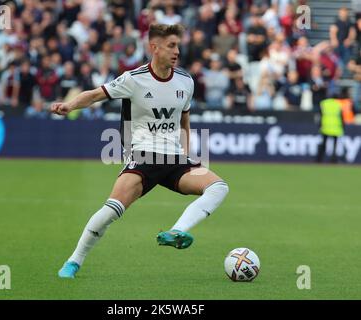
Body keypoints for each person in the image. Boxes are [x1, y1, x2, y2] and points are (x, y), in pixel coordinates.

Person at [51, 24, 229, 279]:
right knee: (110, 212)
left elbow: (184, 121)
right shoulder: (133, 79)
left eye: (178, 45)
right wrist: (69, 105)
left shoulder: (185, 81)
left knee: (219, 187)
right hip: (143, 157)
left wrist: (187, 153)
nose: (177, 51)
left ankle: (177, 231)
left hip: (176, 161)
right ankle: (73, 262)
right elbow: (93, 95)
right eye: (171, 46)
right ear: (154, 48)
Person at [316, 94, 345, 163]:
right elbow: (341, 117)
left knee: (323, 144)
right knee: (335, 146)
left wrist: (319, 125)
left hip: (325, 127)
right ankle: (333, 160)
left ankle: (319, 159)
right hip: (336, 128)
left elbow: (319, 115)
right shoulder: (338, 104)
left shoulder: (324, 103)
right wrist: (343, 126)